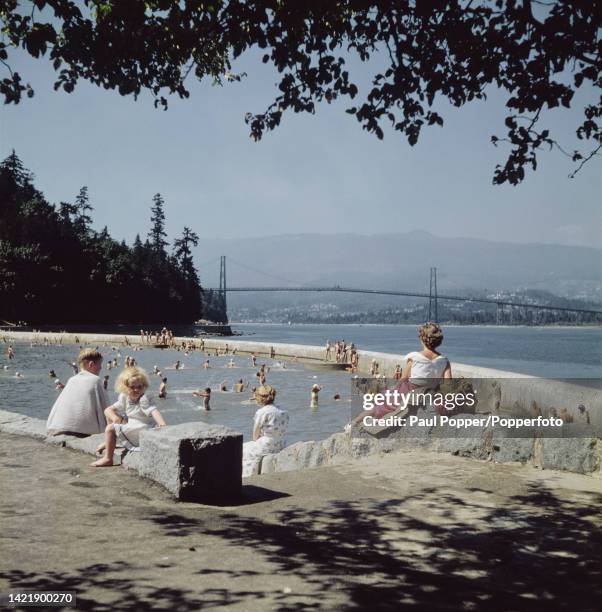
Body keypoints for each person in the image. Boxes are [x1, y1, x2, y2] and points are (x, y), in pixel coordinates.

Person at [347, 323, 452, 430]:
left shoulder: (415, 357)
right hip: (431, 393)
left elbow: (403, 378)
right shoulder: (444, 361)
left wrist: (394, 388)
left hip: (409, 390)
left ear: (422, 339)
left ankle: (354, 423)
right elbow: (448, 384)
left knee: (378, 407)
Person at [91, 367, 166, 467]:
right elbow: (109, 410)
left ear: (144, 386)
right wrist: (115, 418)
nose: (136, 390)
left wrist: (162, 424)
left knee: (110, 429)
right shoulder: (125, 397)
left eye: (140, 387)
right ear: (125, 387)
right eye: (132, 387)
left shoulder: (144, 398)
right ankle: (108, 442)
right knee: (109, 413)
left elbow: (153, 410)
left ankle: (108, 458)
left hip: (142, 428)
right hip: (132, 425)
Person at [47, 348, 109, 436]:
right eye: (100, 364)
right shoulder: (96, 380)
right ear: (91, 364)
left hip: (60, 428)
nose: (101, 367)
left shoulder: (72, 380)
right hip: (83, 431)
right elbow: (106, 409)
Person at [242, 385, 289, 477]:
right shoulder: (283, 411)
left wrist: (258, 439)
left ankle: (248, 476)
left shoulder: (262, 412)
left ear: (260, 398)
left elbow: (255, 435)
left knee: (243, 449)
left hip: (267, 444)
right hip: (281, 443)